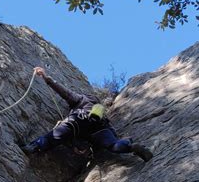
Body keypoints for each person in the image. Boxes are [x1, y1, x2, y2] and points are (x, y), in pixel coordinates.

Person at [21, 67, 153, 162]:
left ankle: (34, 146)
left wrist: (46, 78)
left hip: (80, 119)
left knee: (55, 135)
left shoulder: (81, 100)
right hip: (100, 129)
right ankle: (130, 147)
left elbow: (64, 92)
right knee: (113, 146)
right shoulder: (100, 112)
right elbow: (110, 134)